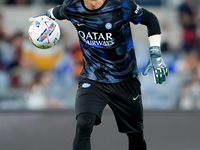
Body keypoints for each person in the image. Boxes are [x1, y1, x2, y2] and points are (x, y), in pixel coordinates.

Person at [29, 0, 169, 149]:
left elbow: (151, 20)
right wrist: (43, 17)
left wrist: (155, 54)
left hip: (125, 79)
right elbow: (56, 12)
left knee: (136, 135)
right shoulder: (72, 5)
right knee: (83, 124)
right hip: (93, 78)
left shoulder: (122, 5)